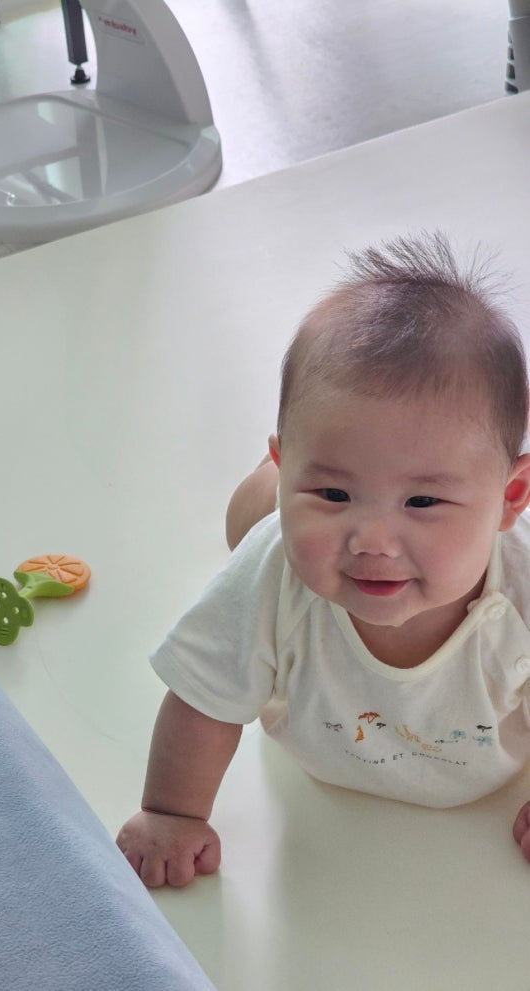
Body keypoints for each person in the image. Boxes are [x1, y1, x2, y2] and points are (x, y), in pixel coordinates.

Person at [117, 232, 530, 888]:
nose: (372, 541)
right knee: (250, 529)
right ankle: (268, 492)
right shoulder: (274, 576)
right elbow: (202, 699)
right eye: (335, 493)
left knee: (289, 525)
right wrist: (171, 813)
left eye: (422, 501)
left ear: (509, 497)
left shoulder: (519, 592)